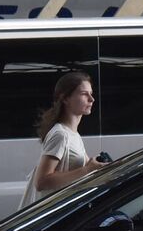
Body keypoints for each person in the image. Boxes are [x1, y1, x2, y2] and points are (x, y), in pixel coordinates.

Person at [19, 71, 103, 209]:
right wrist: (87, 170)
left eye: (91, 93)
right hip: (50, 215)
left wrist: (94, 166)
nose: (91, 99)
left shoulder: (73, 134)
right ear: (65, 98)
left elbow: (85, 167)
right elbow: (41, 181)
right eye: (84, 94)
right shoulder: (61, 135)